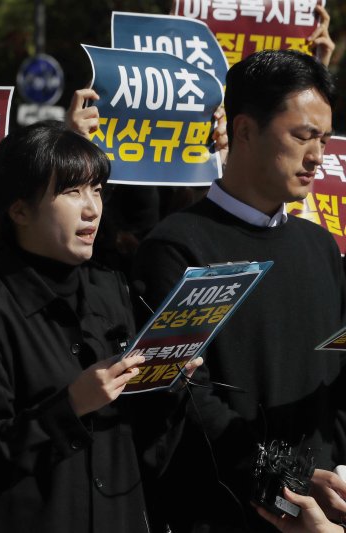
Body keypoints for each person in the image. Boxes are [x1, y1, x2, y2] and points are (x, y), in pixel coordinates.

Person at [0, 120, 201, 532]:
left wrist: (167, 382)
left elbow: (146, 443)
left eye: (97, 190)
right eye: (72, 191)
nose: (92, 208)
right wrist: (71, 406)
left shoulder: (112, 289)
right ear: (20, 209)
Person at [132, 49, 346, 532]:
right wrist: (284, 483)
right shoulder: (175, 246)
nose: (317, 156)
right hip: (224, 513)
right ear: (245, 130)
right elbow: (183, 398)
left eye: (325, 139)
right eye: (302, 136)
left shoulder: (319, 246)